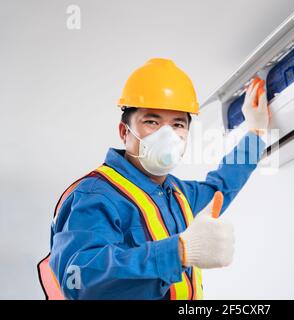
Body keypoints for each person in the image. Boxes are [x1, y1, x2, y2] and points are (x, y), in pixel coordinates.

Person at [37, 58, 270, 300]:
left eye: (178, 124)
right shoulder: (94, 195)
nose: (166, 134)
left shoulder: (178, 194)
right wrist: (179, 252)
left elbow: (220, 187)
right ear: (124, 132)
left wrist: (256, 134)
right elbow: (80, 280)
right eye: (151, 121)